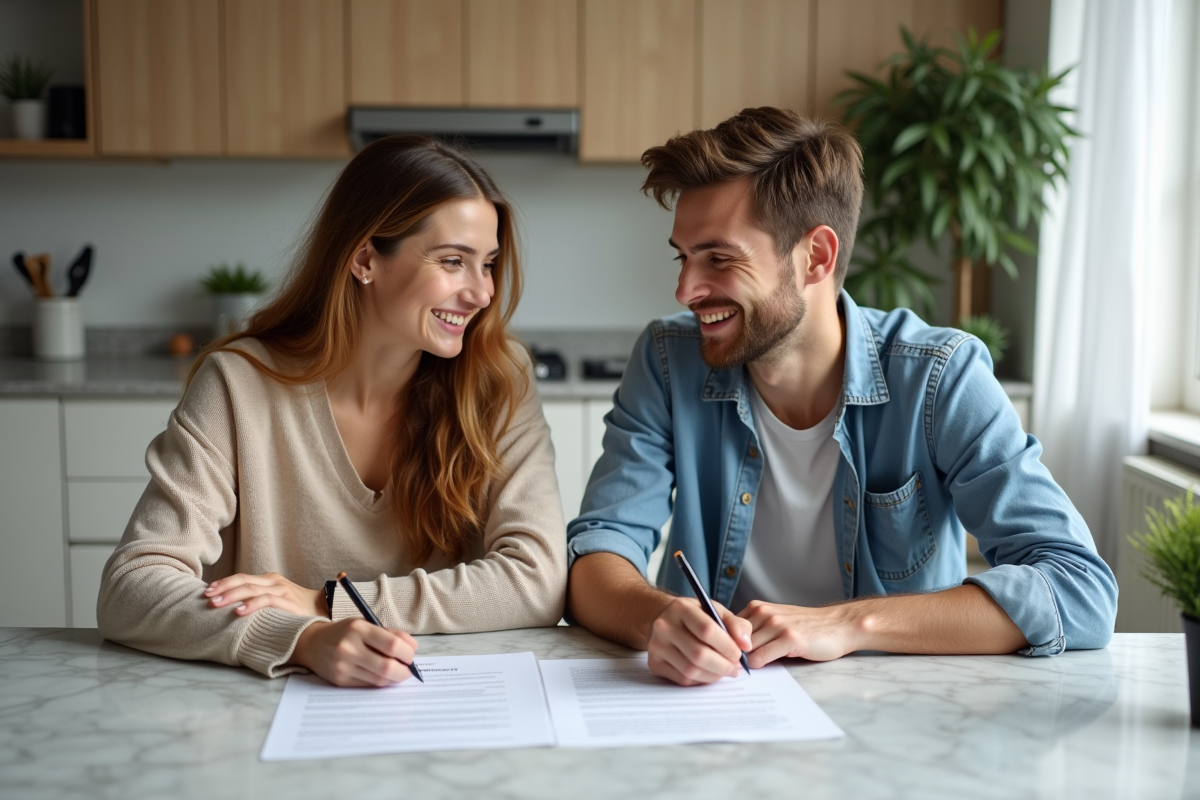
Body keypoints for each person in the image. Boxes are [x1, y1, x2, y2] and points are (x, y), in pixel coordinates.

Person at [565, 108, 1118, 686]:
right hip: (717, 710)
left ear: (817, 257)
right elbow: (598, 555)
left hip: (895, 724)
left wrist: (849, 625)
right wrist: (662, 618)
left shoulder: (939, 378)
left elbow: (1079, 588)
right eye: (684, 257)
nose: (686, 289)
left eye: (719, 258)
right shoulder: (666, 361)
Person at [98, 135, 566, 687]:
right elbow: (131, 586)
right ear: (366, 259)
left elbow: (537, 581)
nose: (481, 293)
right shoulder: (240, 382)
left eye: (487, 264)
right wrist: (303, 639)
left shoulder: (497, 378)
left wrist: (328, 602)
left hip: (440, 705)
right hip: (260, 712)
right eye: (452, 262)